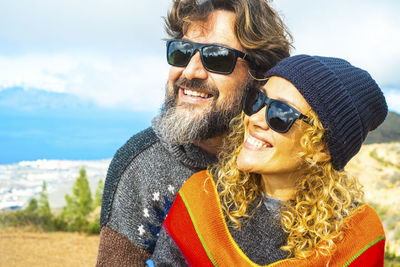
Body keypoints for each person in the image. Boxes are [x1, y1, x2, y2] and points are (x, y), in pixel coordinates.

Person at [96, 0, 291, 265]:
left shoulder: (284, 157)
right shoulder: (140, 164)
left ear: (259, 76)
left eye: (218, 57)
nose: (190, 71)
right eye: (182, 51)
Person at [150, 55, 388, 266]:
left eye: (281, 114)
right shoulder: (200, 199)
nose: (255, 119)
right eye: (258, 101)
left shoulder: (358, 235)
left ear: (321, 149)